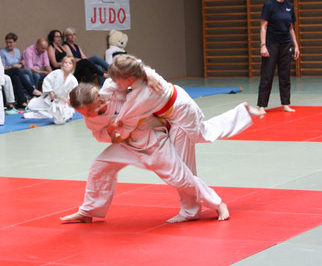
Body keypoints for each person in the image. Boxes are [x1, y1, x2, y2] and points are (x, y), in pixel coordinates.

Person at [108, 55, 262, 222]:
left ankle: (203, 208)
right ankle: (242, 112)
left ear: (129, 78)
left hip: (181, 117)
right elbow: (131, 67)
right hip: (182, 102)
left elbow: (122, 123)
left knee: (183, 169)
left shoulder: (140, 97)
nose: (115, 84)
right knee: (204, 132)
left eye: (117, 80)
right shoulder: (145, 72)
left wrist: (112, 133)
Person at [60, 82, 229, 223]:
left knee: (179, 176)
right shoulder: (91, 118)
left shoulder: (117, 93)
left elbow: (136, 77)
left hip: (153, 138)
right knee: (100, 166)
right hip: (126, 144)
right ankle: (89, 212)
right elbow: (100, 137)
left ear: (97, 98)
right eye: (83, 114)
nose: (88, 116)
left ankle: (217, 203)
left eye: (89, 111)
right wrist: (111, 129)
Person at [257, 0, 300, 114]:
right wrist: (263, 45)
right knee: (267, 74)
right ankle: (262, 106)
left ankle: (285, 104)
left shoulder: (289, 6)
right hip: (271, 44)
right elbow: (263, 27)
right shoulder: (269, 5)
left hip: (285, 44)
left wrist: (296, 46)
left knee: (285, 75)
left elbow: (291, 28)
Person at [23, 56, 78, 124]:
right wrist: (51, 91)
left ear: (73, 66)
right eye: (65, 62)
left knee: (59, 121)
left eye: (70, 63)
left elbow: (74, 94)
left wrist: (68, 100)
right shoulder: (56, 73)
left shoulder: (73, 80)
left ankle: (65, 113)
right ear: (62, 64)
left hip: (62, 102)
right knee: (31, 106)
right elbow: (47, 81)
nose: (67, 64)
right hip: (50, 99)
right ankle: (38, 102)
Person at [0, 32, 41, 108]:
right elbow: (2, 67)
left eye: (10, 42)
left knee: (17, 77)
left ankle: (22, 102)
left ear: (15, 42)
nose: (8, 44)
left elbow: (18, 64)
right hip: (5, 72)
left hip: (15, 72)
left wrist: (21, 63)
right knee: (18, 71)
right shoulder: (2, 52)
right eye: (7, 42)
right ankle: (31, 90)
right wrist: (12, 66)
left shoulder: (17, 51)